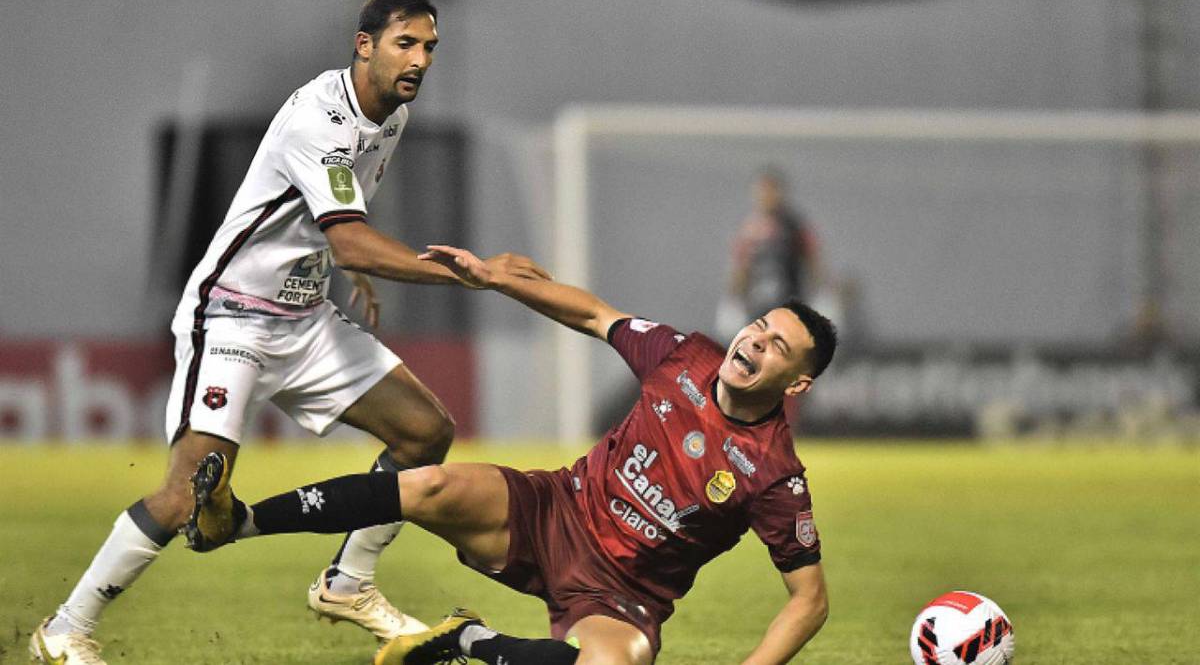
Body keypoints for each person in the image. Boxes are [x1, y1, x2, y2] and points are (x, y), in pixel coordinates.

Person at [29, 0, 548, 663]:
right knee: (187, 491)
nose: (419, 60)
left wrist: (344, 261)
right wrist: (470, 273)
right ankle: (66, 627)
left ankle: (348, 582)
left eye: (429, 47)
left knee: (425, 430)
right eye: (405, 45)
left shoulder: (392, 114)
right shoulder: (317, 118)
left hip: (304, 318)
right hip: (235, 315)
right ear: (364, 45)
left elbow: (341, 220)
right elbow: (356, 240)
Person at [188, 243, 837, 664]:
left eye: (778, 346)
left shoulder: (775, 474)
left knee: (617, 663)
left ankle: (463, 641)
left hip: (622, 590)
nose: (755, 342)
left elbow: (808, 599)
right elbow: (592, 314)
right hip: (552, 508)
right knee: (430, 484)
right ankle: (236, 520)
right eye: (760, 326)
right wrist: (496, 279)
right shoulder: (683, 356)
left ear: (799, 382)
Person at [719, 168, 821, 343]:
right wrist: (734, 300)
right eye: (763, 191)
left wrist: (819, 296)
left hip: (789, 300)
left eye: (772, 190)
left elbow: (813, 259)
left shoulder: (794, 226)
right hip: (757, 304)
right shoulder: (749, 229)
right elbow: (741, 266)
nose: (768, 196)